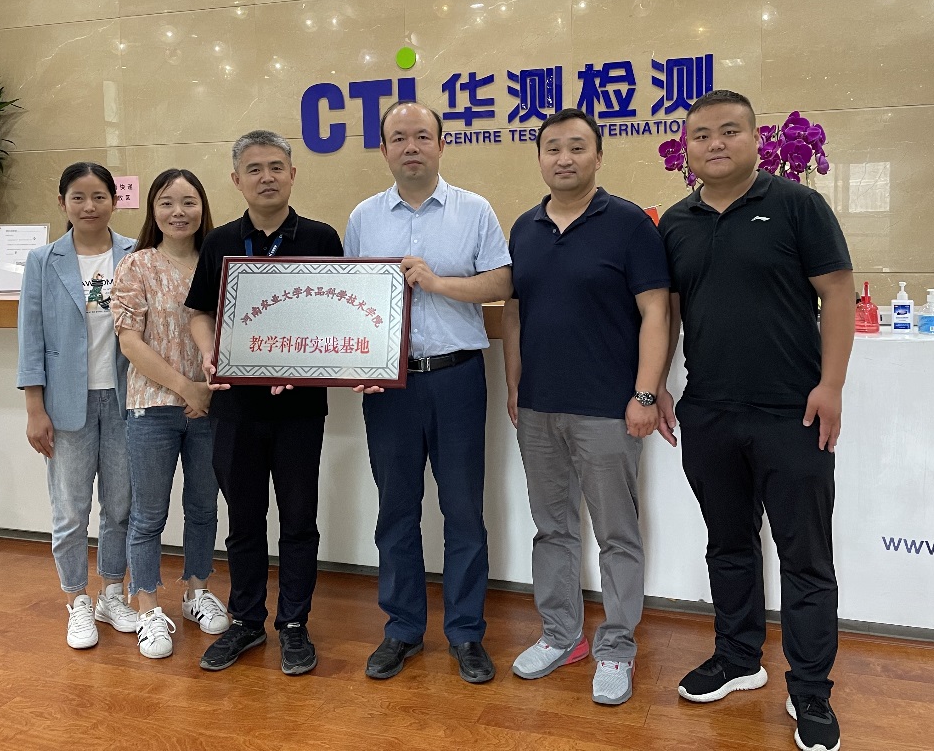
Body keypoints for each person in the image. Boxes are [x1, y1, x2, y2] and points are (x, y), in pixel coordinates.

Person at [657, 90, 854, 751]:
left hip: (792, 413)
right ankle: (738, 658)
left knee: (805, 557)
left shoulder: (798, 205)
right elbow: (668, 314)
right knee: (728, 543)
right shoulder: (676, 222)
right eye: (701, 135)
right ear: (686, 148)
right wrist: (656, 386)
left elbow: (836, 293)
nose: (714, 144)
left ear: (754, 139)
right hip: (709, 412)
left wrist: (831, 385)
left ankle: (810, 690)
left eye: (729, 131)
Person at [502, 109, 671, 706]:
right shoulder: (524, 228)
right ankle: (560, 634)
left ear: (598, 156)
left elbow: (656, 311)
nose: (564, 158)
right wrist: (515, 385)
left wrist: (645, 393)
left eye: (577, 147)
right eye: (552, 148)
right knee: (552, 529)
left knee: (616, 534)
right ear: (539, 158)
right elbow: (515, 312)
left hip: (607, 410)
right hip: (539, 408)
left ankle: (617, 647)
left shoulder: (628, 224)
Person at [344, 100, 512, 685]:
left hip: (457, 377)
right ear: (384, 149)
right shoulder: (364, 217)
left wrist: (438, 283)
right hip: (388, 385)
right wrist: (356, 362)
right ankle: (402, 628)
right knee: (396, 509)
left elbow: (502, 279)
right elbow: (349, 296)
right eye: (399, 138)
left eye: (421, 136)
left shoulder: (474, 210)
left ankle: (466, 632)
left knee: (463, 509)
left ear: (442, 145)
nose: (410, 146)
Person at [186, 130, 343, 675]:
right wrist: (209, 352)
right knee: (244, 520)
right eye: (254, 169)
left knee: (299, 519)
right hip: (237, 408)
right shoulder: (220, 241)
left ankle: (294, 624)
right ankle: (247, 621)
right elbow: (200, 312)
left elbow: (338, 316)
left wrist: (300, 362)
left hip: (301, 408)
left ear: (293, 174)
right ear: (237, 180)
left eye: (277, 167)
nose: (267, 177)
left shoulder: (321, 237)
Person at [17, 162, 140, 649]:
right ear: (63, 202)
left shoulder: (136, 252)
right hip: (66, 402)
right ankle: (76, 599)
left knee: (121, 505)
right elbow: (31, 337)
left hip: (126, 398)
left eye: (99, 196)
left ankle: (112, 593)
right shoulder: (42, 261)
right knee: (70, 510)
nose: (89, 206)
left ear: (115, 200)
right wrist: (34, 408)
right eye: (78, 197)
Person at [110, 168, 229, 660]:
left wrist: (206, 392)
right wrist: (186, 388)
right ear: (152, 210)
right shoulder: (136, 265)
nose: (178, 212)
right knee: (148, 514)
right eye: (166, 202)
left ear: (203, 207)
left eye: (188, 202)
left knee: (203, 507)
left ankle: (196, 592)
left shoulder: (220, 262)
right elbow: (129, 342)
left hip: (212, 408)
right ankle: (147, 607)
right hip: (152, 408)